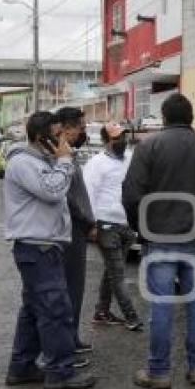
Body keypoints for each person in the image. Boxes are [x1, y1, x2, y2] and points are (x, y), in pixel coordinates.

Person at [122, 94, 195, 389]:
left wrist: (141, 228)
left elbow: (131, 195)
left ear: (164, 118)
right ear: (191, 117)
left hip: (160, 238)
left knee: (161, 306)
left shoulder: (149, 147)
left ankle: (159, 372)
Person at [3, 111, 96, 389]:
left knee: (33, 309)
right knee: (56, 309)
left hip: (43, 245)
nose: (63, 140)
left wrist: (61, 162)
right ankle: (59, 371)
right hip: (37, 247)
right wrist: (64, 161)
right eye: (57, 135)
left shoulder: (40, 161)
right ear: (41, 137)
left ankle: (22, 367)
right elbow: (52, 191)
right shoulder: (23, 162)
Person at [83, 122, 143, 331]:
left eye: (124, 137)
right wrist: (91, 225)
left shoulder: (129, 158)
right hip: (105, 225)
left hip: (126, 225)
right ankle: (131, 316)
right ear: (107, 140)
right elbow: (88, 195)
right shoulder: (96, 164)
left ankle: (101, 312)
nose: (122, 141)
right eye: (117, 137)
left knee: (112, 271)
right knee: (118, 274)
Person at [55, 107, 96, 361]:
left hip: (73, 228)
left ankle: (71, 337)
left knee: (75, 288)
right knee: (70, 287)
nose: (83, 131)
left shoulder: (68, 154)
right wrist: (88, 220)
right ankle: (66, 343)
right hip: (71, 230)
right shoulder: (61, 156)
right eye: (80, 127)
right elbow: (70, 197)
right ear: (67, 128)